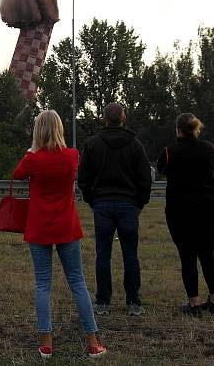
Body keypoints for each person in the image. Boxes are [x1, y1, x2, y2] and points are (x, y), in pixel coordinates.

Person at [13, 110, 106, 360]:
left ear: (38, 131)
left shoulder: (33, 159)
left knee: (43, 284)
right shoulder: (72, 157)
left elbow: (17, 173)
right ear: (60, 129)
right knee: (78, 283)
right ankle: (92, 341)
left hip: (40, 227)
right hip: (66, 226)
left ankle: (46, 343)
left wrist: (32, 149)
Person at [77, 103, 151, 317]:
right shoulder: (135, 145)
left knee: (103, 254)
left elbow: (84, 177)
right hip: (128, 204)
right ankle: (133, 302)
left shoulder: (92, 144)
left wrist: (92, 199)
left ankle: (103, 302)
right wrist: (139, 203)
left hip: (102, 203)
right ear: (123, 118)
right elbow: (144, 178)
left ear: (105, 119)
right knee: (130, 255)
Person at [156, 113, 214, 316]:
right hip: (209, 207)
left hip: (181, 209)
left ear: (178, 130)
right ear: (196, 128)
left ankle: (194, 303)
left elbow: (161, 170)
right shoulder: (209, 148)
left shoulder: (169, 151)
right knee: (207, 255)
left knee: (187, 256)